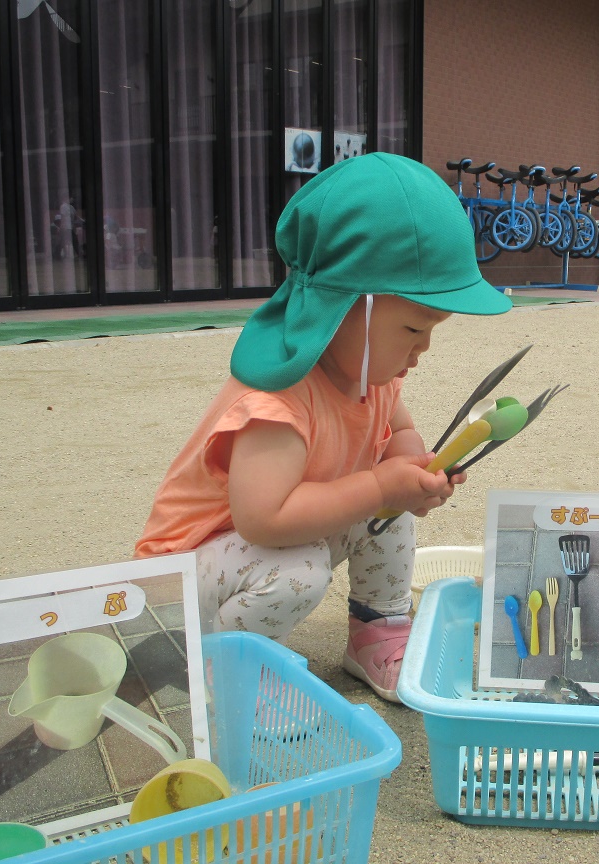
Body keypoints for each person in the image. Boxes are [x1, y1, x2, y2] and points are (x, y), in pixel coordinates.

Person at [134, 153, 512, 702]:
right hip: (186, 580)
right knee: (303, 568)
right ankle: (227, 672)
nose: (424, 347)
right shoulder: (277, 400)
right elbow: (264, 518)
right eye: (413, 328)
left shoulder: (373, 376)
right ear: (345, 307)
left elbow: (399, 437)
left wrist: (417, 472)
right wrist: (380, 486)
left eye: (433, 330)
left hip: (260, 550)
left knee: (389, 505)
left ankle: (377, 632)